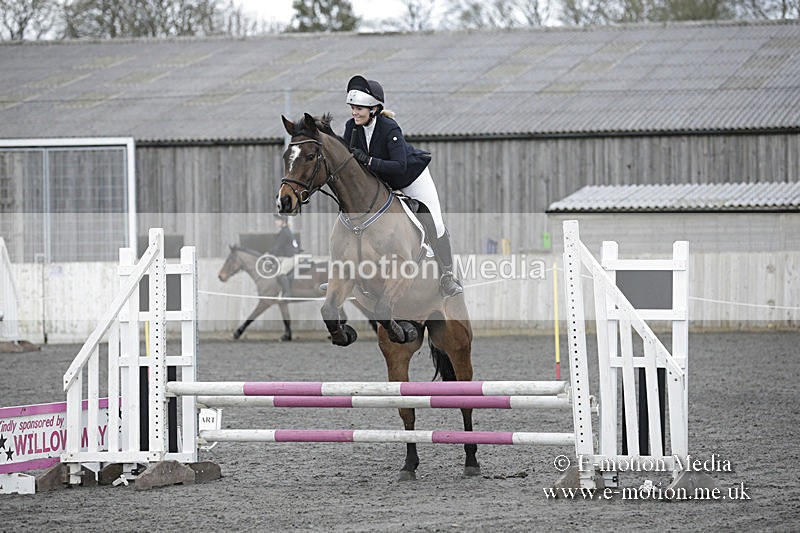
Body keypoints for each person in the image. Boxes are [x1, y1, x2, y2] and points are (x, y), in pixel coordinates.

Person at [342, 75, 463, 297]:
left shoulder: (389, 128)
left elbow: (399, 165)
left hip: (411, 178)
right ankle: (348, 276)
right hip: (383, 182)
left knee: (434, 222)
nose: (354, 112)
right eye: (353, 107)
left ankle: (447, 275)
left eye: (359, 108)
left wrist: (368, 161)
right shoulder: (352, 128)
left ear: (374, 109)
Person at [270, 213, 299, 298]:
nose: (275, 222)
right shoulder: (286, 231)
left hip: (291, 257)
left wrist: (270, 256)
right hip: (289, 256)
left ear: (283, 221)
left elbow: (278, 247)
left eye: (277, 220)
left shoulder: (284, 232)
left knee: (280, 273)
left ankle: (288, 293)